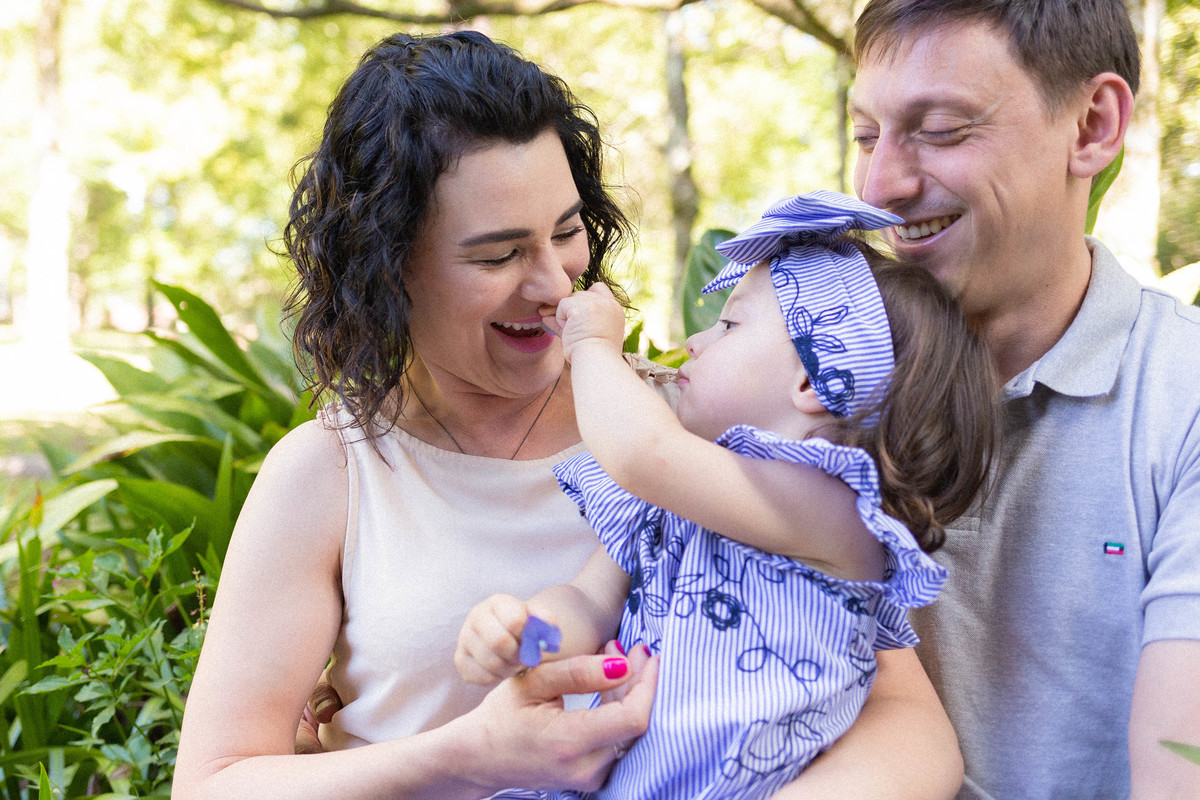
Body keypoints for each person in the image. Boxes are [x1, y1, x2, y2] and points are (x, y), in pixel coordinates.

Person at [173, 31, 960, 800]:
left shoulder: (694, 426)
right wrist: (466, 757)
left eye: (567, 229)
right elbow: (213, 783)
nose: (555, 282)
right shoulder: (331, 474)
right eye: (497, 255)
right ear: (389, 269)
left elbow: (896, 711)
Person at [455, 191, 998, 799]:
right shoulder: (678, 499)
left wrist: (592, 346)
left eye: (731, 324)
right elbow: (589, 599)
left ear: (813, 379)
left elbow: (643, 455)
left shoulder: (836, 515)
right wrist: (530, 632)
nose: (696, 339)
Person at [847, 1, 1200, 798]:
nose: (880, 185)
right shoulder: (807, 384)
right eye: (866, 136)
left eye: (939, 129)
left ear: (1092, 126)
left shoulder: (1182, 398)